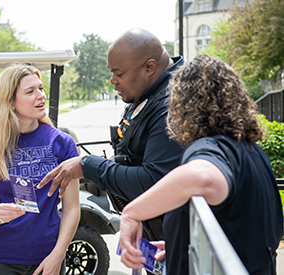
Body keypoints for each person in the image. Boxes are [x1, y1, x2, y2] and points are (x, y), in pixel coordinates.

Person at [119, 54, 283, 275]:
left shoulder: (207, 147)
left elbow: (204, 178)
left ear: (182, 105)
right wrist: (186, 245)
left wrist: (132, 213)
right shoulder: (251, 150)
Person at [39, 28, 184, 242]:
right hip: (154, 234)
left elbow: (153, 181)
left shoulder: (173, 106)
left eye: (119, 73)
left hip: (175, 243)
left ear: (150, 67)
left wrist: (87, 165)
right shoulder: (148, 93)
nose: (112, 80)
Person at [0, 64, 80, 275]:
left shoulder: (63, 143)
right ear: (10, 102)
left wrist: (58, 254)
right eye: (30, 92)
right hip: (1, 260)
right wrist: (0, 214)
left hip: (49, 257)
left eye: (40, 88)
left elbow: (72, 208)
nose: (41, 96)